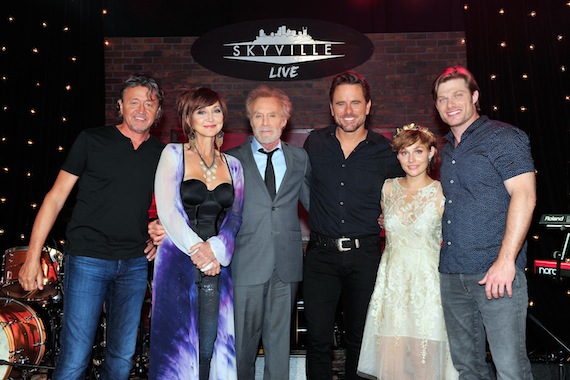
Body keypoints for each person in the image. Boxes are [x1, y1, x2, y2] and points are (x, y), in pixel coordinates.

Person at [18, 75, 165, 379]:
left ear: (158, 111)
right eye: (134, 101)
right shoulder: (92, 139)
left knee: (122, 359)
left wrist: (159, 230)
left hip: (135, 264)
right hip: (87, 260)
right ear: (120, 107)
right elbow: (55, 198)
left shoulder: (163, 154)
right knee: (74, 358)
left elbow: (169, 207)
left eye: (149, 103)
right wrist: (32, 257)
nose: (141, 109)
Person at [433, 66, 536, 379]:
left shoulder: (503, 137)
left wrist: (506, 262)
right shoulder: (447, 149)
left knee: (510, 370)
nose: (450, 103)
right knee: (468, 369)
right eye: (442, 98)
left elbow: (525, 196)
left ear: (475, 97)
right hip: (452, 273)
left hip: (496, 272)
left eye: (458, 95)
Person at [302, 70, 404, 380]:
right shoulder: (314, 143)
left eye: (355, 103)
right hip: (321, 256)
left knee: (360, 340)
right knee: (317, 340)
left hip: (366, 256)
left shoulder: (386, 151)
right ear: (331, 108)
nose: (349, 111)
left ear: (368, 106)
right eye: (341, 104)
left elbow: (406, 190)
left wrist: (393, 216)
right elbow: (303, 188)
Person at [148, 87, 244, 380]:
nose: (210, 117)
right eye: (201, 111)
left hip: (218, 264)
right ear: (188, 118)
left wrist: (215, 250)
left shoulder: (234, 165)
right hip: (177, 259)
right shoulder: (172, 154)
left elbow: (235, 217)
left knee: (212, 346)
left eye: (215, 110)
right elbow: (169, 212)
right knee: (176, 349)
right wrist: (200, 252)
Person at [357, 123, 458, 379]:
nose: (411, 159)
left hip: (428, 288)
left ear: (431, 152)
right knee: (393, 365)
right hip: (393, 287)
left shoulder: (442, 192)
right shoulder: (388, 189)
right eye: (404, 152)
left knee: (427, 364)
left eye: (418, 151)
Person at [226, 85, 310, 380]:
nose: (265, 123)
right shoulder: (231, 159)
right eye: (258, 116)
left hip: (286, 267)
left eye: (272, 115)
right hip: (245, 264)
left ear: (284, 120)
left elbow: (316, 206)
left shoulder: (300, 159)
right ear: (250, 120)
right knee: (241, 350)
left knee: (279, 349)